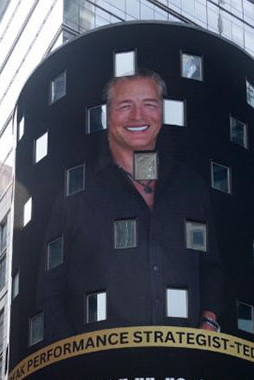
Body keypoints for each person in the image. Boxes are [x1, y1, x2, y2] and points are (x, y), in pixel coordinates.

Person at [38, 69, 223, 344]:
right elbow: (49, 289)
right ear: (107, 115)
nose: (138, 116)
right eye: (125, 106)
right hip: (100, 371)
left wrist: (208, 323)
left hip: (184, 363)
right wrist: (75, 356)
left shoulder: (189, 186)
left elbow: (210, 266)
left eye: (149, 105)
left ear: (162, 113)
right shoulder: (76, 191)